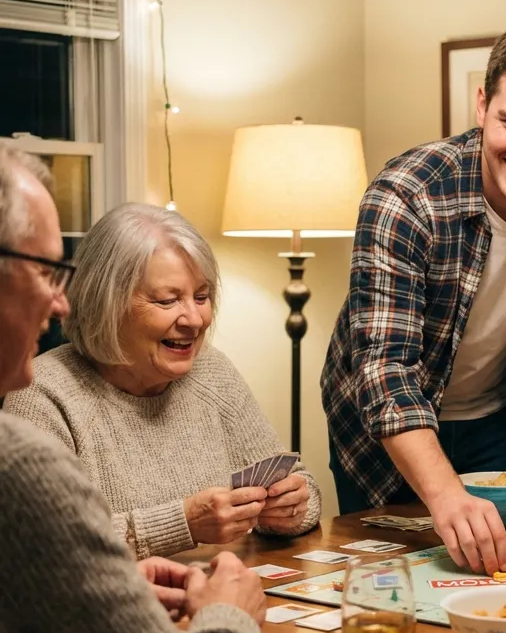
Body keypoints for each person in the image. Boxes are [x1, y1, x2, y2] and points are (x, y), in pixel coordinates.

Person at [0, 142, 268, 633]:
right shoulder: (17, 461)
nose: (60, 298)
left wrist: (91, 587)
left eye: (202, 296)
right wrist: (229, 615)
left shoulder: (213, 375)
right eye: (45, 269)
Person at [322, 17, 506, 575]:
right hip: (385, 425)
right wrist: (445, 496)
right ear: (482, 105)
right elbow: (386, 373)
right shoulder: (405, 196)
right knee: (394, 581)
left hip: (496, 418)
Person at [4, 203, 321, 560]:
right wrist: (183, 523)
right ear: (106, 304)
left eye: (201, 297)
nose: (195, 320)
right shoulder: (42, 394)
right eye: (168, 300)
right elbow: (44, 546)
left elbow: (300, 483)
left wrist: (290, 507)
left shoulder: (212, 370)